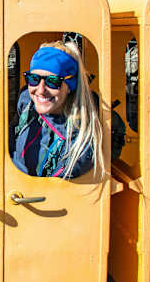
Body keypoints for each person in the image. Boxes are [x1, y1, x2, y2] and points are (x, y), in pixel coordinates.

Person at [10, 41, 105, 179]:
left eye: (53, 81)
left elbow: (54, 191)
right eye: (33, 79)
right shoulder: (27, 104)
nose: (40, 90)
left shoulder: (81, 140)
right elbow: (9, 145)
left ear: (70, 86)